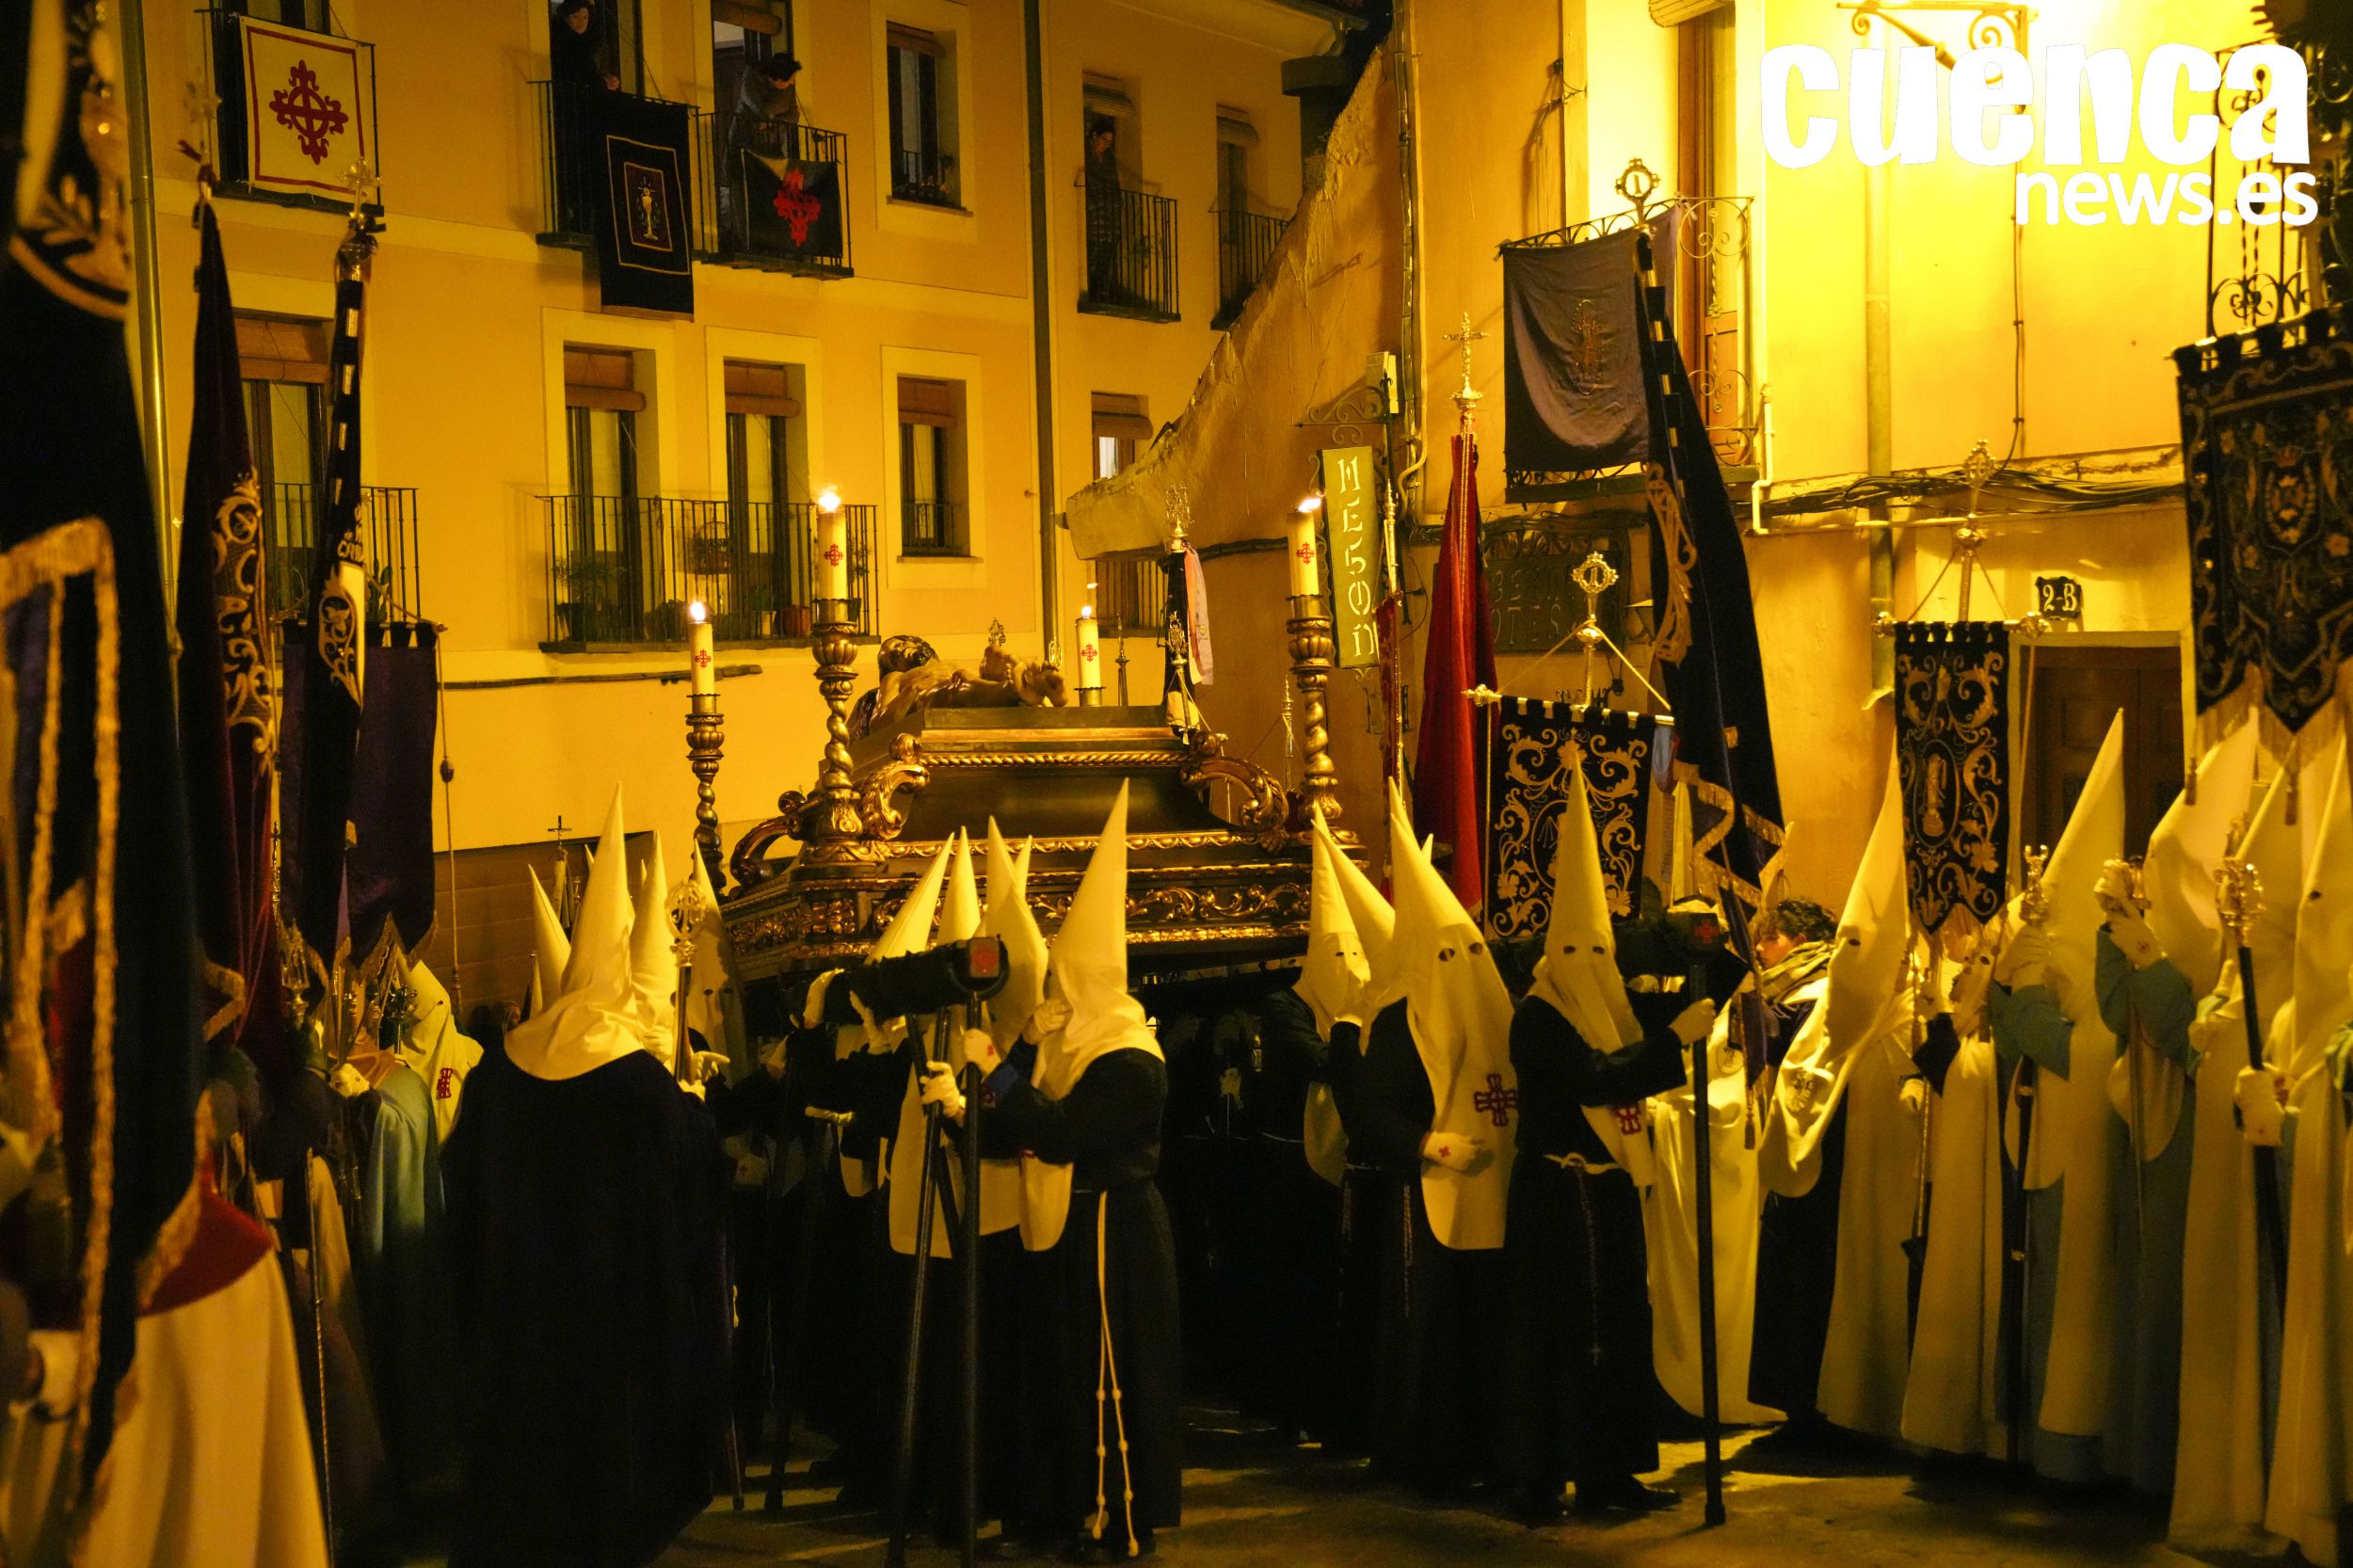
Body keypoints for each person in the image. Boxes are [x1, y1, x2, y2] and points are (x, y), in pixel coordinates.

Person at [442, 789, 727, 1568]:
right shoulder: (645, 1091)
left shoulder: (500, 1075)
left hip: (520, 1321)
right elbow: (694, 1211)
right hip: (616, 1329)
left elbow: (461, 1196)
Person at [921, 785, 1180, 1561]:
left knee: (1107, 1378)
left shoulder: (1130, 1060)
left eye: (1068, 981)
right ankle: (1059, 1508)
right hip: (1067, 1228)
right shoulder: (1067, 1048)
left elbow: (1065, 1133)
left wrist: (1000, 1072)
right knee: (1059, 1375)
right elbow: (1014, 1129)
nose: (1056, 996)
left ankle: (1113, 1517)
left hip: (1111, 1233)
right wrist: (968, 1104)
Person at [1502, 774, 1706, 1520]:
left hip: (1609, 1191)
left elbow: (1662, 1021)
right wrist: (1670, 1044)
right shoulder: (1539, 1017)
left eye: (1599, 948)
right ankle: (1539, 1477)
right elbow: (1592, 1079)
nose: (1589, 959)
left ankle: (1610, 1472)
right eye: (1575, 947)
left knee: (1618, 1329)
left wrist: (1697, 970)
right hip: (1556, 1199)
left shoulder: (1610, 1004)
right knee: (1554, 1337)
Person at [1340, 788, 1517, 1494]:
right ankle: (1431, 1457)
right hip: (1428, 1193)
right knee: (1432, 1328)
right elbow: (1368, 1113)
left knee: (1493, 1324)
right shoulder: (1396, 1022)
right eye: (1446, 951)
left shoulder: (1500, 1010)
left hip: (1498, 1189)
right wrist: (1428, 1144)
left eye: (1469, 948)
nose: (1461, 961)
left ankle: (1497, 1452)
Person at [1753, 762, 1935, 1443]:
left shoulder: (1905, 1022)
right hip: (1819, 1202)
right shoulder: (1828, 1010)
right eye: (1847, 945)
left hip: (1875, 1202)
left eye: (1864, 946)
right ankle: (1812, 1406)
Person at [1985, 714, 2126, 1483]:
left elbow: (2084, 1046)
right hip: (2041, 1135)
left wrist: (2030, 997)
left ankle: (2075, 1447)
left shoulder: (2099, 959)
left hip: (2086, 1141)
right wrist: (2013, 989)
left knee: (2078, 1297)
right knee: (2039, 1287)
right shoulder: (2048, 943)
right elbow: (2013, 1032)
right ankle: (2034, 1435)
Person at [2166, 742, 2299, 1550]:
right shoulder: (2242, 943)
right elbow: (2223, 986)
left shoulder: (2291, 957)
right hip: (2227, 1138)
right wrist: (2211, 1022)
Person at [1084, 116, 1127, 304]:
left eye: (1110, 141)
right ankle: (1093, 291)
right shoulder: (1086, 156)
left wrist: (1116, 204)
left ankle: (1103, 292)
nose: (1106, 145)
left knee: (1106, 255)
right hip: (1095, 218)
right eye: (1105, 139)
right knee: (1094, 254)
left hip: (1109, 219)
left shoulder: (1109, 160)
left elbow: (1113, 182)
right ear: (1094, 136)